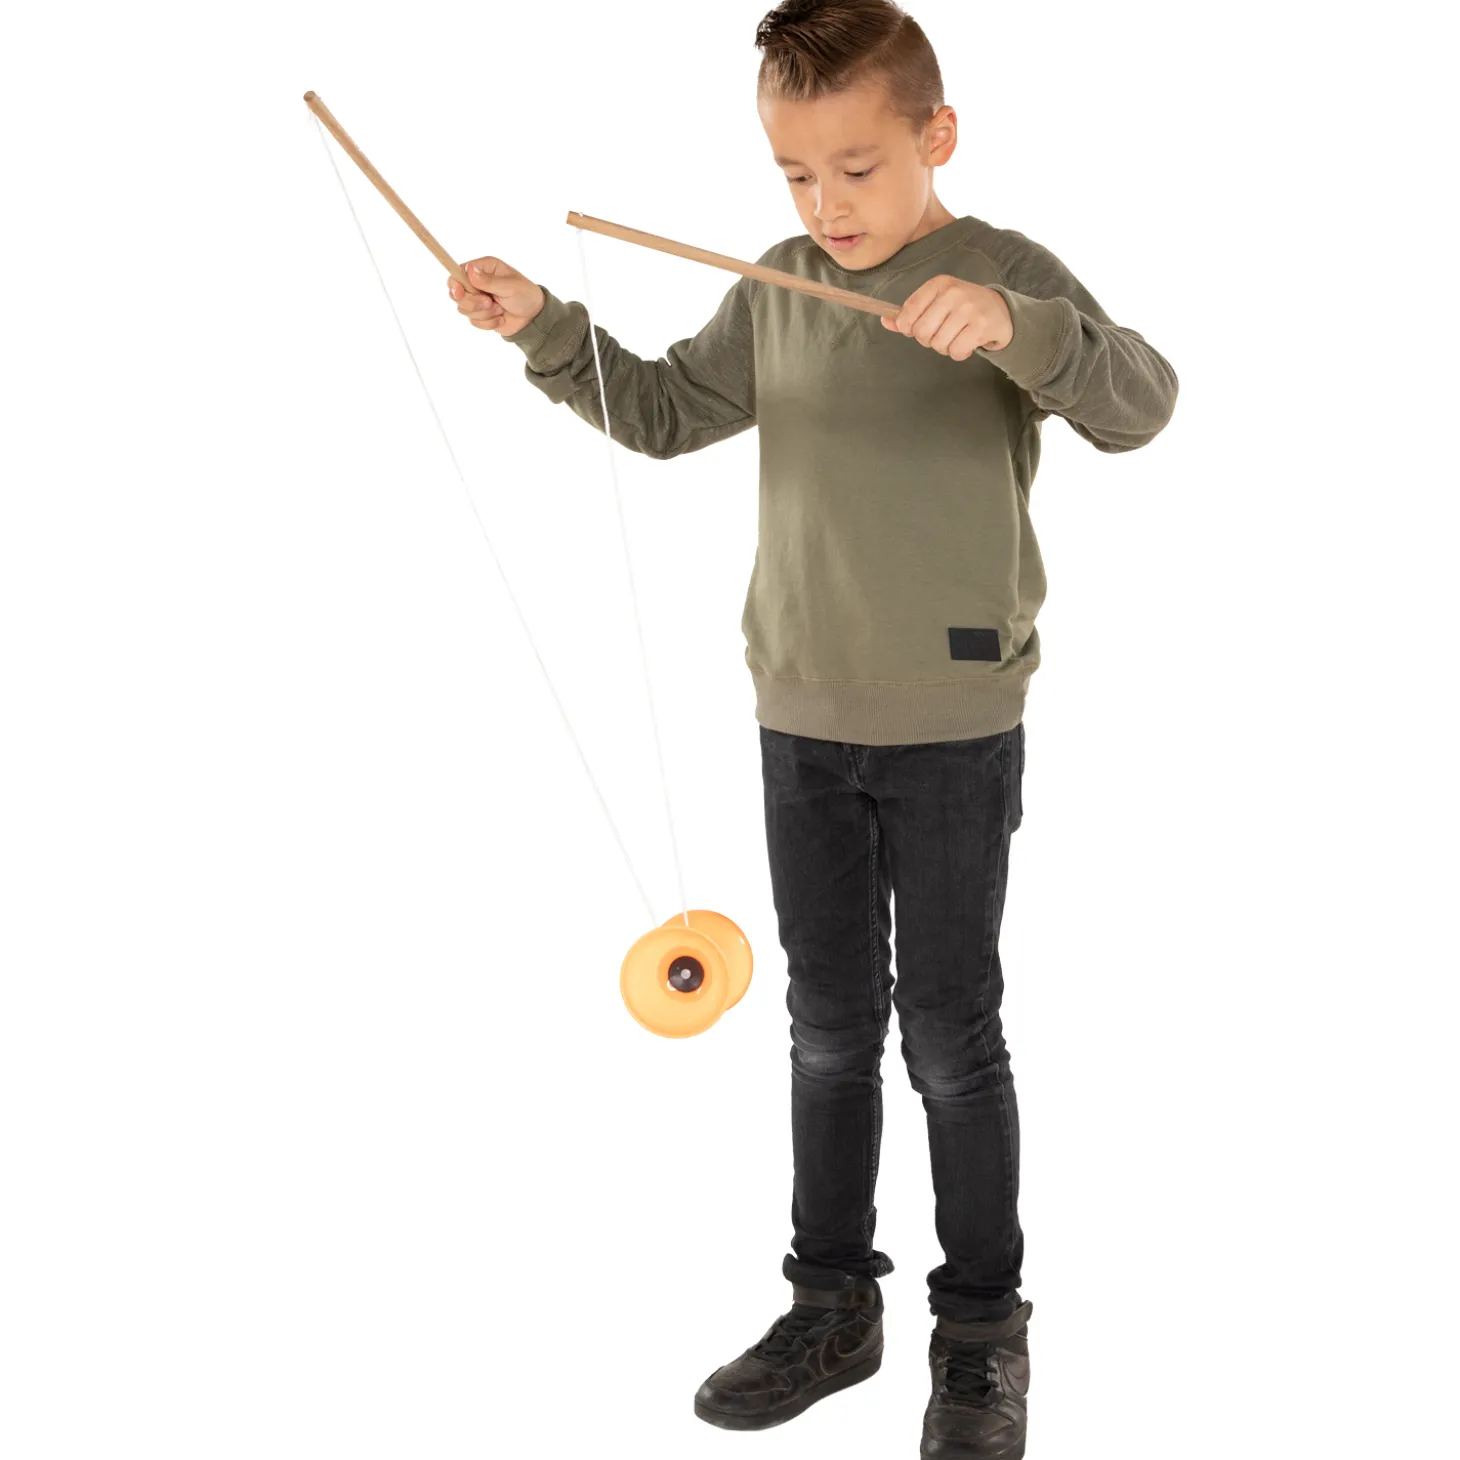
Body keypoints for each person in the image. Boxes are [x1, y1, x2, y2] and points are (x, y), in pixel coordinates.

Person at [448, 3, 1177, 1454]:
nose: (826, 205)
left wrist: (1020, 330)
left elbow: (1141, 405)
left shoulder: (1005, 275)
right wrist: (545, 328)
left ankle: (982, 1334)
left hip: (954, 721)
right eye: (795, 173)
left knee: (949, 1034)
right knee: (828, 1027)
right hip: (798, 714)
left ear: (936, 136)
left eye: (857, 167)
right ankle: (832, 1305)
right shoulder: (776, 288)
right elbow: (663, 411)